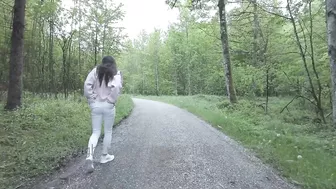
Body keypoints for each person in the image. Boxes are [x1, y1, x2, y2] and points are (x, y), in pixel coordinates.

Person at [83, 56, 123, 173]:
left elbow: (87, 84)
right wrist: (111, 100)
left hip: (96, 104)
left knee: (95, 132)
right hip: (109, 105)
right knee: (108, 131)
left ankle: (89, 156)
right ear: (113, 63)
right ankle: (104, 156)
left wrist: (91, 99)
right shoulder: (116, 73)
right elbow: (116, 88)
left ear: (103, 62)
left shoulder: (95, 71)